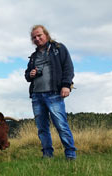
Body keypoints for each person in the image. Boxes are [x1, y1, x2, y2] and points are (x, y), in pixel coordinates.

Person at [24, 25, 77, 160]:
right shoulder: (33, 57)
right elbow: (27, 76)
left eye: (39, 35)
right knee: (42, 128)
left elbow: (68, 68)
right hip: (37, 95)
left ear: (46, 35)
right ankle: (47, 155)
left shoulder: (58, 49)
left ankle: (70, 155)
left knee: (61, 125)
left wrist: (66, 85)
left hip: (54, 94)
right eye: (34, 37)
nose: (37, 38)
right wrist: (31, 74)